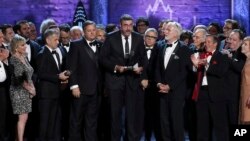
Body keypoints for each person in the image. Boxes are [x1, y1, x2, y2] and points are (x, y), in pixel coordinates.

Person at [100, 14, 145, 141]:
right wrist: (115, 67)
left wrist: (141, 70)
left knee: (131, 115)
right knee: (115, 115)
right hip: (114, 82)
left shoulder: (138, 38)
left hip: (132, 81)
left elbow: (143, 58)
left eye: (130, 25)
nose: (128, 28)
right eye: (125, 25)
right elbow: (103, 59)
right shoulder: (110, 38)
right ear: (120, 25)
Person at [155, 21, 192, 141]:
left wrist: (170, 86)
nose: (164, 32)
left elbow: (184, 72)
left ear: (176, 33)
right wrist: (159, 83)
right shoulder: (161, 47)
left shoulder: (184, 49)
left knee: (176, 122)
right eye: (164, 29)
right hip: (162, 91)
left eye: (168, 30)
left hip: (176, 92)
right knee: (163, 122)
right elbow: (157, 68)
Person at [67, 20, 102, 141]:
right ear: (84, 32)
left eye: (93, 30)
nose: (92, 33)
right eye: (89, 31)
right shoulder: (76, 45)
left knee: (92, 121)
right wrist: (74, 86)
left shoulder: (100, 45)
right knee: (76, 120)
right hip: (80, 90)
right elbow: (71, 67)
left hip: (95, 90)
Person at [191, 34, 230, 141]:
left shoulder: (222, 56)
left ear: (215, 44)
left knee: (219, 125)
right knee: (202, 125)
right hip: (201, 93)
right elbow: (194, 76)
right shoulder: (200, 55)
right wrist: (195, 66)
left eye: (209, 42)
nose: (206, 44)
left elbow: (221, 72)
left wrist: (207, 64)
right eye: (205, 42)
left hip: (216, 95)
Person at [36, 28, 69, 141]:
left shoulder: (58, 52)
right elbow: (40, 74)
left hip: (56, 93)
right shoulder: (41, 54)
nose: (58, 42)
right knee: (44, 123)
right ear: (48, 40)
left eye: (58, 40)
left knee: (54, 123)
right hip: (46, 94)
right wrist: (58, 77)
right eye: (55, 40)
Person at [9, 35, 36, 141]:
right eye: (22, 45)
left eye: (25, 44)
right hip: (19, 91)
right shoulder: (14, 59)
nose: (25, 47)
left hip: (27, 90)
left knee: (25, 117)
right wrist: (31, 89)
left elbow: (29, 74)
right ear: (16, 47)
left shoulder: (24, 57)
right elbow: (20, 78)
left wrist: (32, 87)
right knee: (22, 117)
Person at [0, 29, 11, 141]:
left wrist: (5, 60)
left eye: (2, 37)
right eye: (0, 38)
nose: (2, 40)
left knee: (3, 116)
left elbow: (8, 71)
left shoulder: (4, 49)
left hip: (3, 89)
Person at [239, 36, 250, 124]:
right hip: (244, 95)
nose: (242, 46)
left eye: (245, 44)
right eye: (243, 44)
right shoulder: (247, 59)